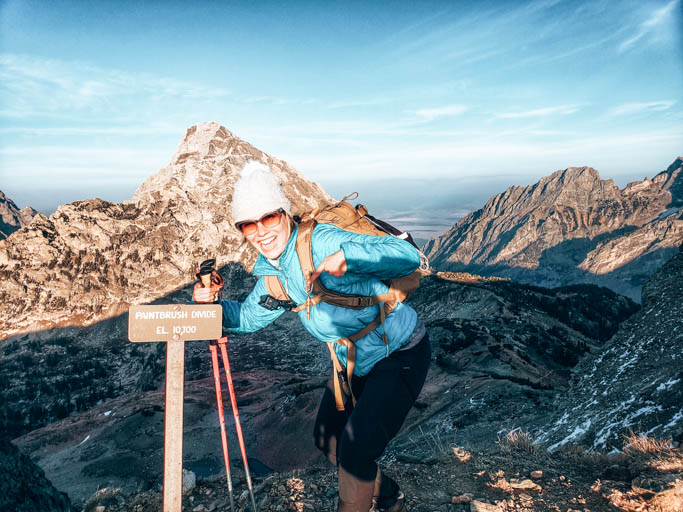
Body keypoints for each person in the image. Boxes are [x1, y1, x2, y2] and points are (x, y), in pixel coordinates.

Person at [193, 161, 431, 512]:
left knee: (355, 449)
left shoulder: (321, 241)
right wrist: (211, 305)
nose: (260, 231)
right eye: (248, 224)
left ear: (285, 214)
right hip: (350, 363)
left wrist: (350, 257)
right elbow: (246, 317)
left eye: (269, 218)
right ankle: (388, 496)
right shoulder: (275, 276)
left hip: (399, 353)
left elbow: (408, 256)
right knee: (329, 440)